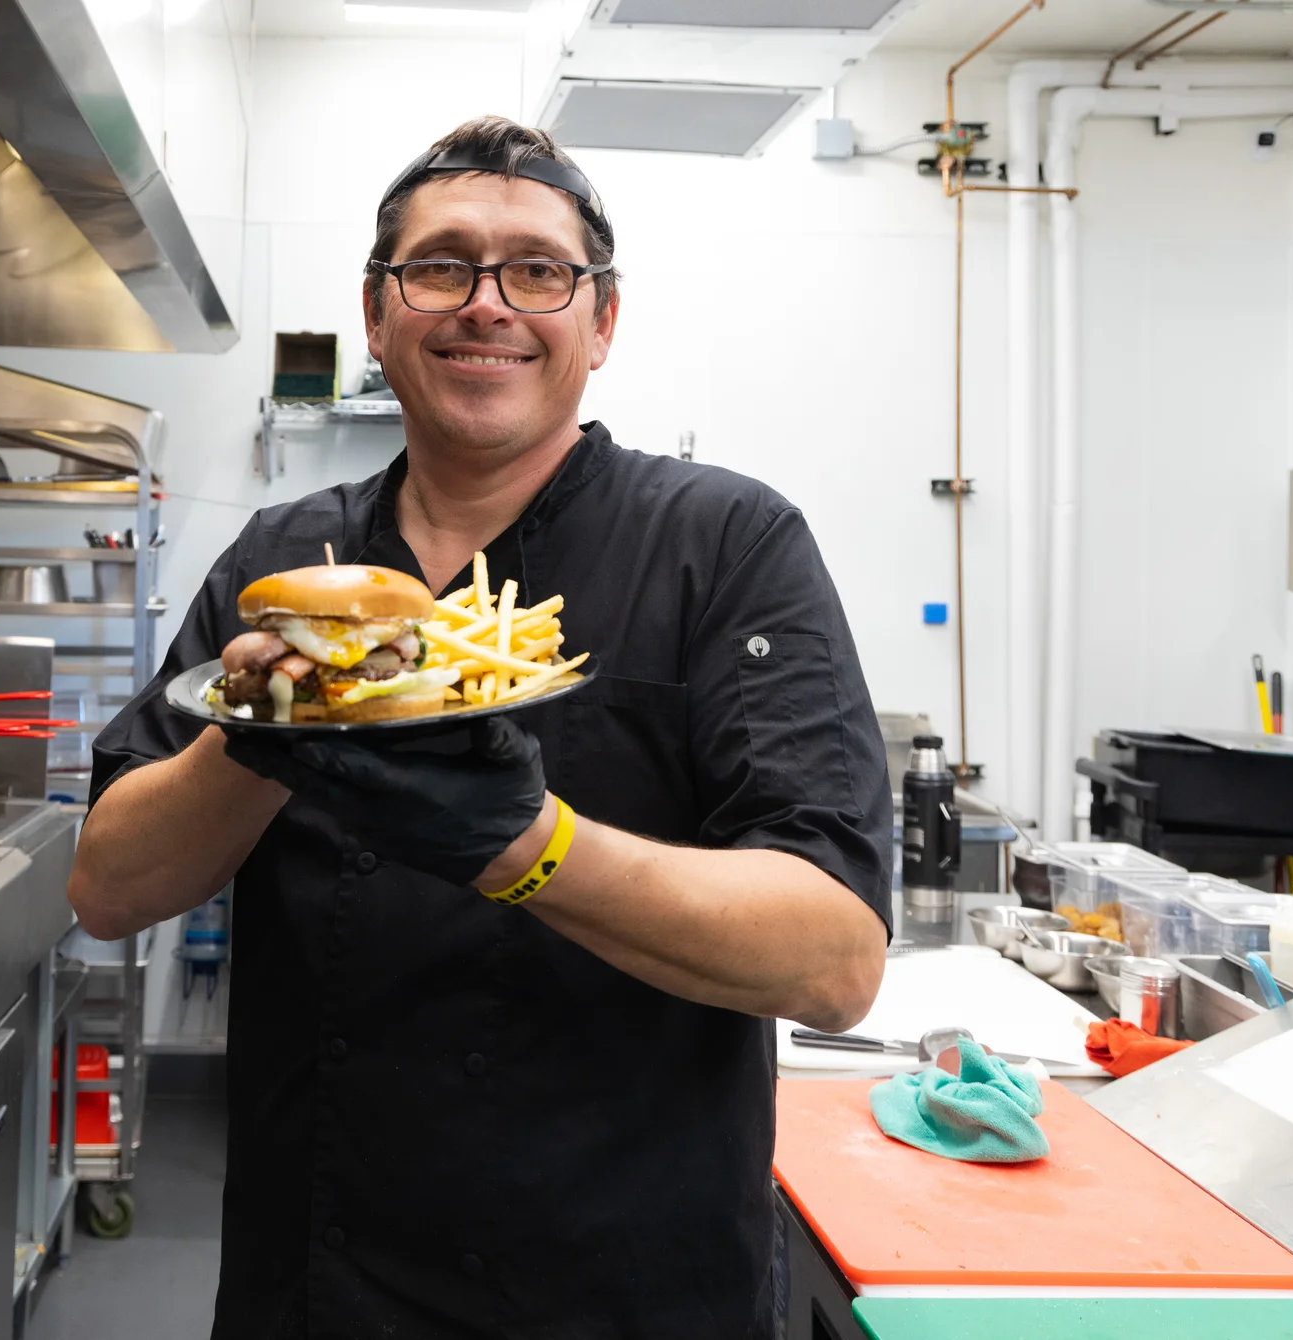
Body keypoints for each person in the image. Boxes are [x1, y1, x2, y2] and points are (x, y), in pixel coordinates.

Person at [75, 115, 892, 1338]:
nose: (487, 304)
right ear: (377, 310)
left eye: (539, 272)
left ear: (602, 321)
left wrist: (531, 847)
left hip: (622, 1287)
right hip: (318, 1280)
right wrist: (267, 726)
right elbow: (107, 885)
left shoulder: (725, 546)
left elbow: (832, 963)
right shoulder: (286, 560)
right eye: (442, 265)